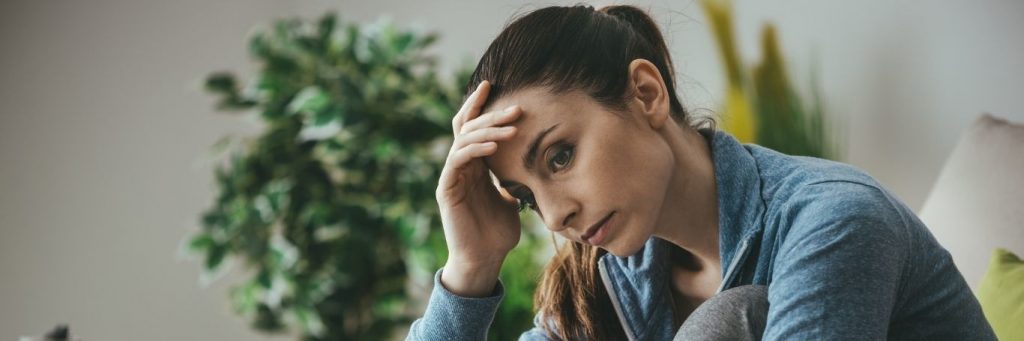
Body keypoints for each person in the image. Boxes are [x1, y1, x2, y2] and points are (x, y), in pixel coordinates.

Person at [407, 4, 994, 340]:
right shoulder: (610, 278)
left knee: (727, 321)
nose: (556, 215)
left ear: (645, 92)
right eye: (528, 197)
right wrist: (472, 267)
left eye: (559, 157)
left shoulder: (833, 223)